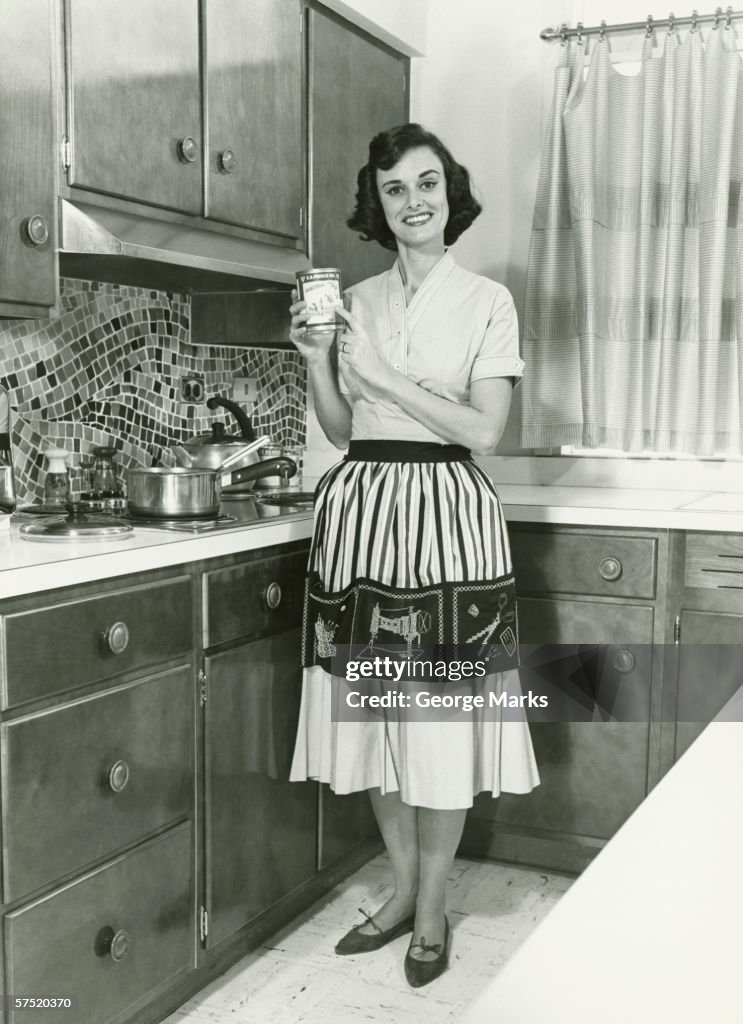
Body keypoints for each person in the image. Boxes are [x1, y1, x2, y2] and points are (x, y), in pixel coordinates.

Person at [288, 123, 539, 988]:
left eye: (427, 182)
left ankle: (431, 909)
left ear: (449, 191)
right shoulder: (351, 301)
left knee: (435, 726)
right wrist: (320, 361)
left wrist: (391, 379)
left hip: (446, 515)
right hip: (361, 513)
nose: (413, 200)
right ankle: (399, 892)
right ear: (378, 203)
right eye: (394, 188)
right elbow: (339, 426)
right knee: (374, 719)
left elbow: (483, 431)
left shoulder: (488, 301)